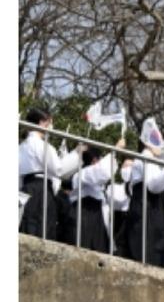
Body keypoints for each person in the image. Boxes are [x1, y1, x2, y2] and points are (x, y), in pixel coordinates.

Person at [19, 107, 83, 239]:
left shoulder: (22, 146)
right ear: (43, 122)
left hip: (25, 188)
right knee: (41, 227)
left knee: (27, 225)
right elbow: (58, 169)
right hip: (40, 189)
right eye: (50, 121)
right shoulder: (40, 144)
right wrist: (77, 153)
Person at [119, 135, 164, 267]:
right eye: (157, 142)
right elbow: (153, 186)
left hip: (151, 206)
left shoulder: (150, 160)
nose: (160, 145)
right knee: (149, 247)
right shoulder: (146, 156)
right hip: (148, 206)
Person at [62, 138, 127, 252]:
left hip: (95, 223)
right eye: (99, 160)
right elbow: (101, 172)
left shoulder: (100, 187)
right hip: (84, 219)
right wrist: (115, 150)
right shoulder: (82, 174)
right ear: (94, 161)